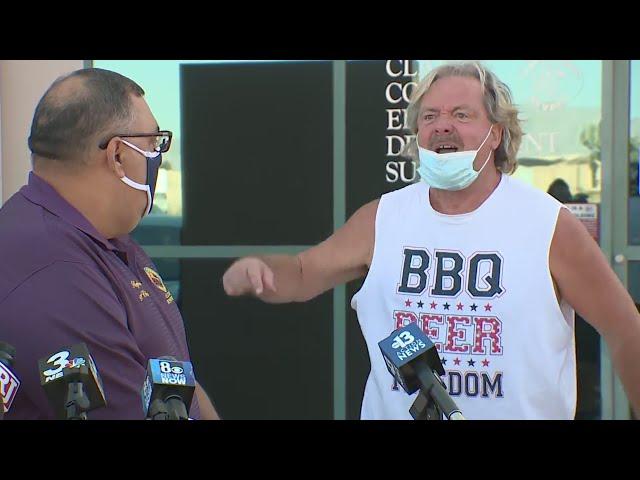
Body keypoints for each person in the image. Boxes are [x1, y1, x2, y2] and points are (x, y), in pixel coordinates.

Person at [223, 61, 640, 420]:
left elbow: (626, 330)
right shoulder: (383, 218)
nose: (442, 124)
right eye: (430, 116)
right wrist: (263, 272)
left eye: (462, 114)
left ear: (496, 134)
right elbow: (301, 274)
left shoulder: (548, 224)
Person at [0, 68, 219, 420]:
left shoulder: (107, 239)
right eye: (153, 144)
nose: (157, 157)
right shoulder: (53, 270)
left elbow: (174, 374)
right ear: (117, 155)